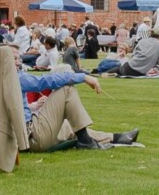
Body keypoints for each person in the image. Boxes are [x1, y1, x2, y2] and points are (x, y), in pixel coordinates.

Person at [10, 46, 138, 151]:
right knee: (67, 89)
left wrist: (33, 107)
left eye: (19, 58)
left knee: (69, 125)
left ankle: (116, 137)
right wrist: (82, 77)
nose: (19, 62)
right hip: (31, 138)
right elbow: (45, 81)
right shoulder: (14, 78)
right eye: (14, 58)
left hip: (24, 136)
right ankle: (86, 142)